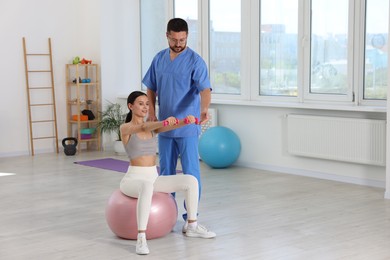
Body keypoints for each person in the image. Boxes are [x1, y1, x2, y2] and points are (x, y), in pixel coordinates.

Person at [119, 91, 216, 255]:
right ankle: (141, 237)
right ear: (130, 106)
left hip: (152, 177)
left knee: (191, 180)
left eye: (147, 104)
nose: (145, 107)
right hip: (133, 180)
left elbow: (166, 127)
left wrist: (185, 121)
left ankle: (192, 225)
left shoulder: (152, 129)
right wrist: (163, 121)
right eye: (140, 103)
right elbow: (143, 126)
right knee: (146, 186)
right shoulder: (126, 128)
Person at [142, 17, 212, 222]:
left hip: (188, 126)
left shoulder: (195, 61)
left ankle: (191, 217)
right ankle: (167, 214)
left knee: (191, 173)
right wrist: (152, 112)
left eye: (182, 39)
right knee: (165, 173)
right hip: (165, 125)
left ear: (187, 36)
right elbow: (150, 87)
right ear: (167, 36)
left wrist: (204, 109)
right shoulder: (159, 59)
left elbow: (205, 89)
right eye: (174, 40)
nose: (179, 44)